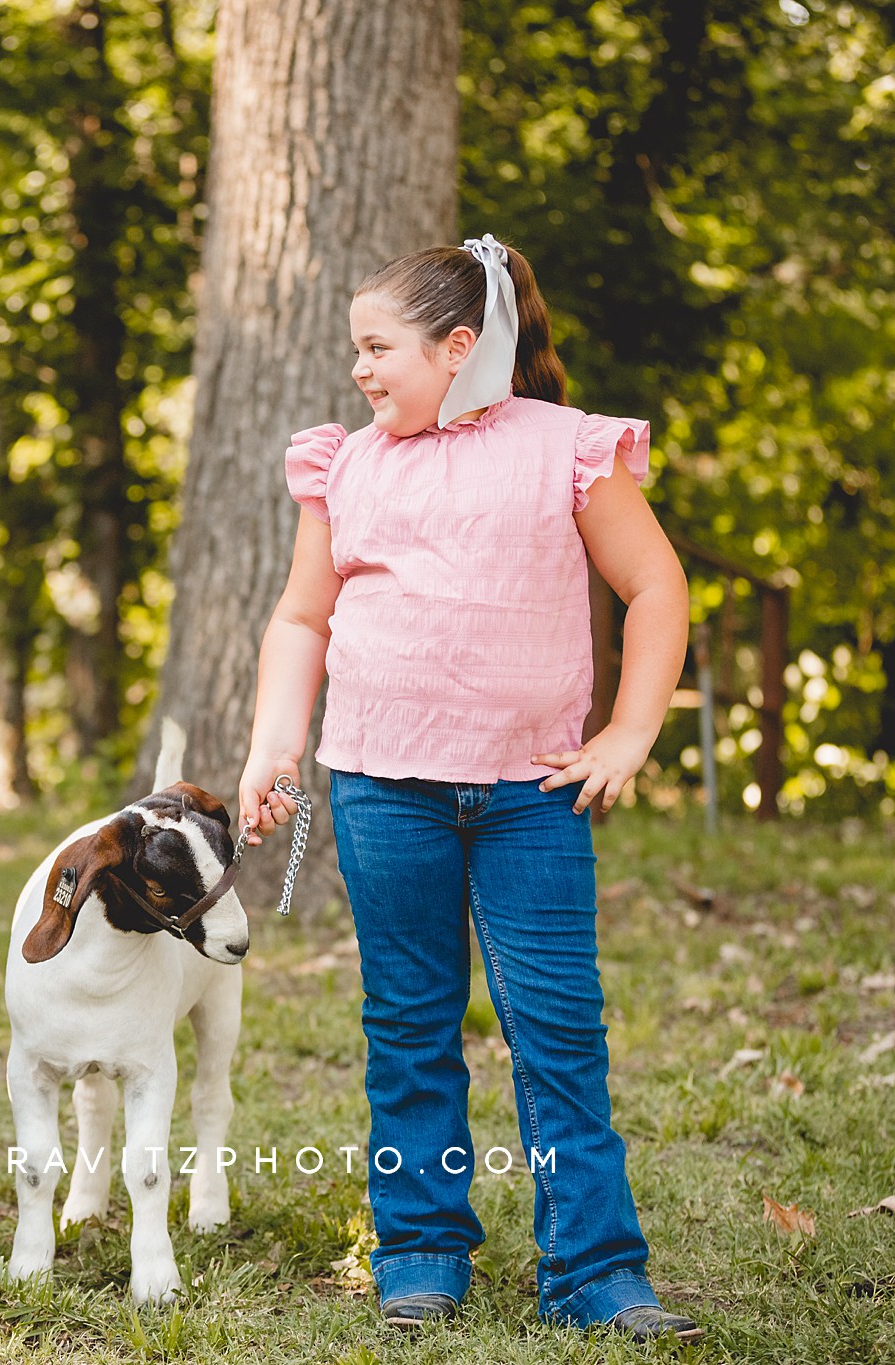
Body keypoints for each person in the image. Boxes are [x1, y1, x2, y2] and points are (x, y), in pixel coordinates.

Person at [237, 236, 699, 1341]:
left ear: (457, 348)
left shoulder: (566, 451)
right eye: (354, 348)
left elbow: (653, 584)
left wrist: (628, 731)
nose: (358, 369)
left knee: (555, 1035)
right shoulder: (344, 463)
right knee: (407, 1024)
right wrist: (273, 745)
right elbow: (302, 618)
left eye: (375, 347)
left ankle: (593, 1271)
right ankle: (419, 1252)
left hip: (528, 798)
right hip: (381, 790)